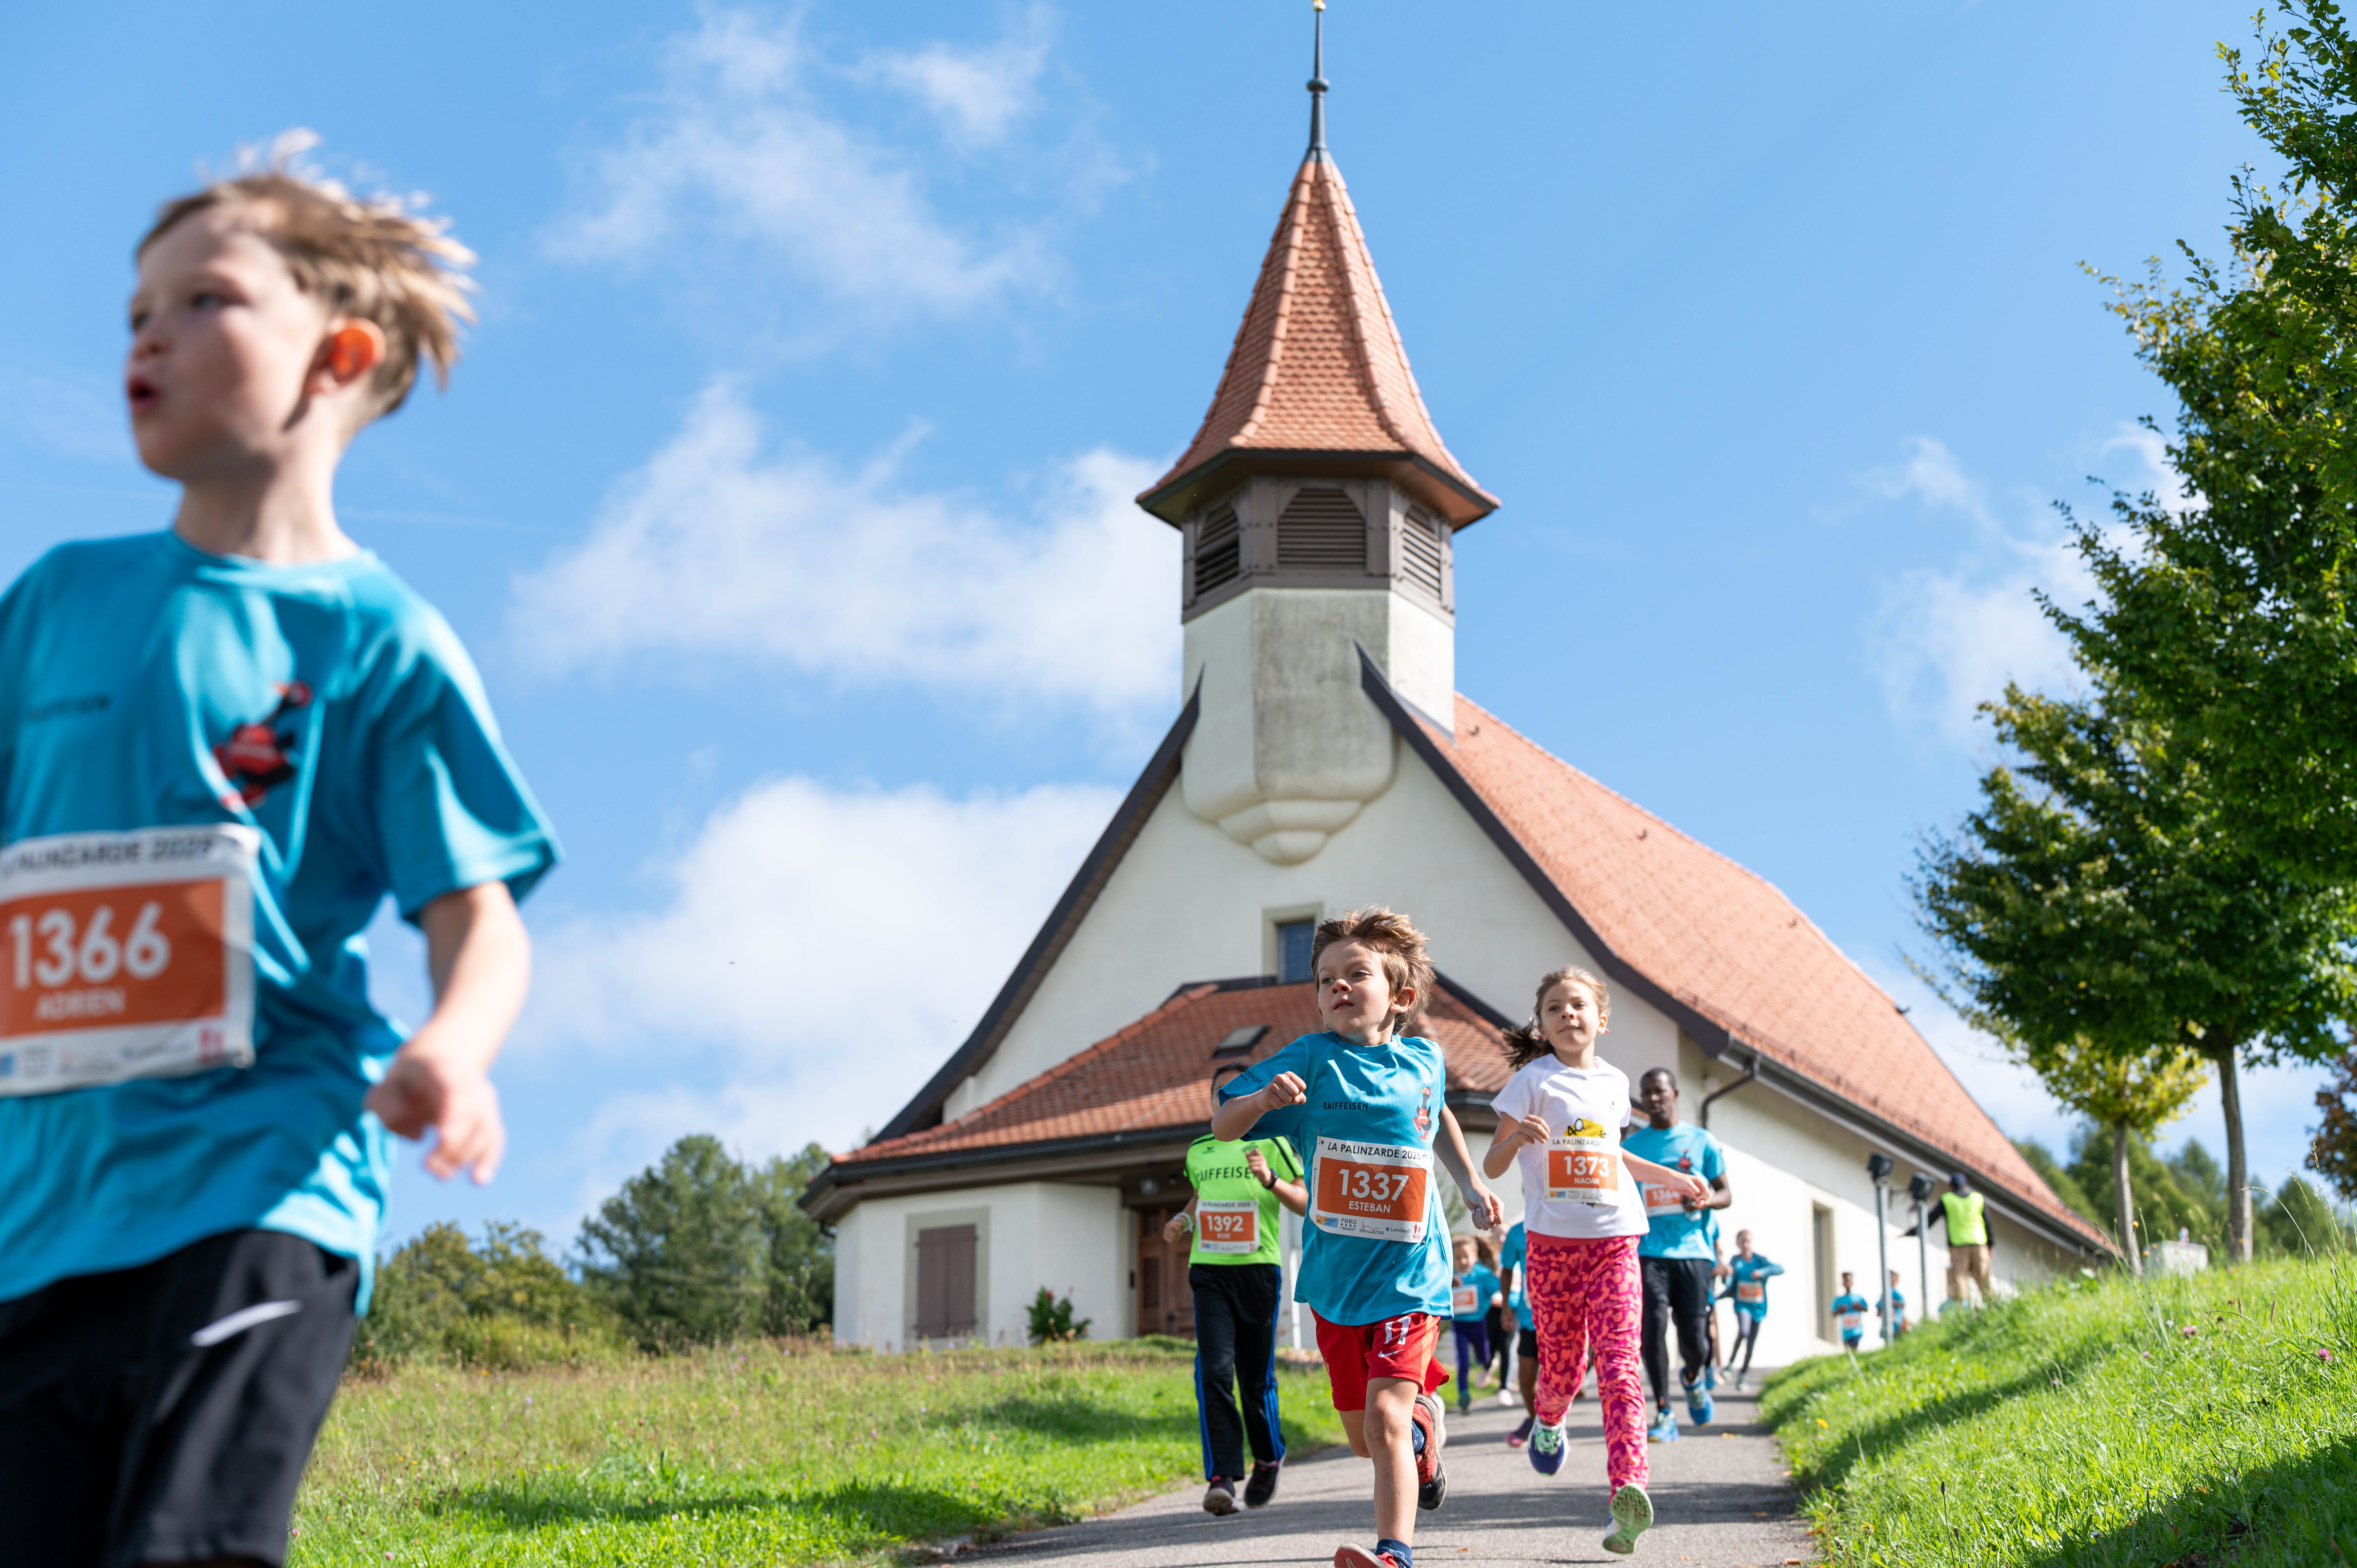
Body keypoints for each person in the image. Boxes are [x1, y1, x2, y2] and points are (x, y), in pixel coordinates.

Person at [0, 163, 558, 1567]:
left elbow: (477, 912)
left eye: (205, 300)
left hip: (261, 1181)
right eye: (136, 309)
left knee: (188, 1547)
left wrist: (454, 1049)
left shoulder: (380, 642)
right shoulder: (57, 603)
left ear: (338, 356)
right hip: (36, 1221)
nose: (148, 333)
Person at [1213, 908, 1504, 1568]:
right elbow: (1224, 1123)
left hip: (1411, 1273)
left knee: (1383, 1420)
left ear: (1400, 996)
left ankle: (1394, 1553)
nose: (1338, 985)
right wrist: (1261, 1102)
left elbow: (1438, 1113)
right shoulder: (1309, 1058)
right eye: (1325, 979)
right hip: (1336, 1283)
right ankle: (1424, 1436)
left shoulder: (1425, 1058)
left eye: (1356, 973)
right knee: (1361, 1438)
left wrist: (1470, 1181)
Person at [1482, 967, 1710, 1558]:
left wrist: (1674, 1179)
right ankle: (1549, 1418)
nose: (1568, 1014)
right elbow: (1492, 1165)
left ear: (1601, 1020)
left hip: (1616, 1241)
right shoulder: (1531, 1081)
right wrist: (1517, 1139)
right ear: (1542, 1024)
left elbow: (1615, 1155)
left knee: (1619, 1367)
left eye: (1579, 1005)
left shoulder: (1615, 1083)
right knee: (1562, 1367)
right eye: (1555, 1008)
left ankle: (1627, 1492)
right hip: (1552, 1247)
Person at [1164, 1065, 1309, 1515]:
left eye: (1239, 1092)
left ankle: (1268, 1456)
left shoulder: (1274, 1143)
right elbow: (1201, 1196)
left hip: (1258, 1270)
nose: (1229, 1100)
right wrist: (1183, 1219)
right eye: (1221, 1094)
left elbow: (1305, 1201)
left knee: (1254, 1376)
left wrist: (1271, 1180)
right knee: (1213, 1370)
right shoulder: (1199, 1150)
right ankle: (1221, 1477)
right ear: (1213, 1101)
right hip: (1209, 1271)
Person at [1621, 1068, 1732, 1442]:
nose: (1653, 1098)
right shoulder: (1634, 1147)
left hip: (1694, 1252)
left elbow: (1726, 1194)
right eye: (1646, 1093)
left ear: (1675, 1094)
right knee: (1652, 1329)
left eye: (1659, 1091)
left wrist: (1704, 1200)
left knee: (1696, 1340)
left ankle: (1693, 1378)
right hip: (1648, 1250)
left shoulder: (1701, 1141)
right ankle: (1664, 1412)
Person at [1902, 1171, 1993, 1306]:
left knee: (1959, 1280)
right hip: (1979, 1244)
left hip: (1958, 1246)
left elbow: (1930, 1220)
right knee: (1984, 1280)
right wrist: (1990, 1246)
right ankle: (1993, 1307)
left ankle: (1962, 1310)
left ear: (1951, 1186)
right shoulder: (1978, 1198)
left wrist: (1913, 1231)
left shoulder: (1947, 1200)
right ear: (1966, 1185)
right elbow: (1988, 1224)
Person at [1714, 1230, 1782, 1391]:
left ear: (1752, 1243)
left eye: (1748, 1242)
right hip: (1742, 1305)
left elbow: (1779, 1269)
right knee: (1744, 1331)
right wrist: (1725, 1276)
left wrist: (1762, 1273)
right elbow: (1729, 1283)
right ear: (1738, 1244)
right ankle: (1731, 1364)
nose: (1746, 1245)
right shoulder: (1736, 1261)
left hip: (1758, 1308)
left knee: (1751, 1343)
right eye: (1742, 1242)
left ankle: (1743, 1375)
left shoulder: (1760, 1260)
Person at [1496, 1220, 1541, 1444]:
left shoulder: (1564, 1221)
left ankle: (1552, 1424)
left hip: (1561, 1319)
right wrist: (1506, 1308)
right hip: (1529, 1319)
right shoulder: (1517, 1233)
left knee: (1556, 1381)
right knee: (1526, 1380)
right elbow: (1506, 1271)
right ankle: (1536, 1420)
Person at [1447, 1235, 1501, 1414]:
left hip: (1480, 1324)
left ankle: (1488, 1364)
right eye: (1458, 1258)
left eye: (1466, 1257)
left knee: (1483, 1356)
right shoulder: (1449, 1276)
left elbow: (1498, 1288)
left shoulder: (1483, 1275)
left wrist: (1498, 1296)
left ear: (1475, 1256)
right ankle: (1464, 1395)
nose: (1462, 1261)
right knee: (1463, 1361)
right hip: (1460, 1325)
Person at [1830, 1272, 1871, 1353]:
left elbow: (1866, 1309)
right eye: (1845, 1280)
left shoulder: (1859, 1298)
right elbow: (1833, 1314)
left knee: (1854, 1347)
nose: (1847, 1283)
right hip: (1846, 1332)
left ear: (1852, 1282)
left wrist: (1859, 1307)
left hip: (1857, 1330)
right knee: (1849, 1350)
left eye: (1849, 1280)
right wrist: (1840, 1310)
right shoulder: (1839, 1300)